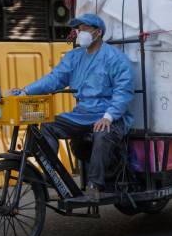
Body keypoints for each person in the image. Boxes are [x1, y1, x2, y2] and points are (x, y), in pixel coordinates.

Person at [10, 13, 134, 201]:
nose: (79, 33)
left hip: (110, 115)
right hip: (83, 114)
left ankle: (95, 185)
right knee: (48, 126)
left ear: (98, 32)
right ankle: (51, 174)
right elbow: (55, 79)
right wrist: (26, 91)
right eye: (78, 30)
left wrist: (108, 116)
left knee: (102, 133)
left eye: (84, 29)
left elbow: (123, 92)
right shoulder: (74, 57)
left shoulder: (115, 58)